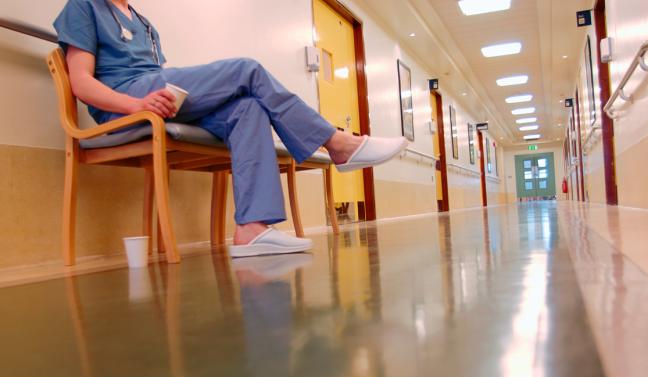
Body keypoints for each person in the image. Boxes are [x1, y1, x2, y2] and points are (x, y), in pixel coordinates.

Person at [53, 0, 408, 258]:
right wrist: (137, 105)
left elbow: (158, 75)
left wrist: (161, 100)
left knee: (248, 108)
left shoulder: (145, 23)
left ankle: (251, 228)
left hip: (153, 95)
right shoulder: (84, 6)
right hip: (125, 100)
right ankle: (336, 142)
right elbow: (81, 83)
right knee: (246, 69)